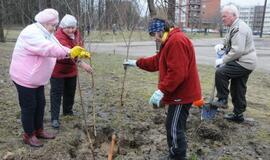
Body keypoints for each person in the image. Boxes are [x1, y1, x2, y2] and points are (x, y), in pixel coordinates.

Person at [9, 8, 90, 147]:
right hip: (25, 77)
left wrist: (72, 53)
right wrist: (70, 51)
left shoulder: (46, 32)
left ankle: (39, 130)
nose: (54, 28)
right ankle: (29, 135)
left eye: (55, 25)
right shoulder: (31, 33)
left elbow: (56, 45)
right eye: (53, 25)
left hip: (36, 78)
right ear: (45, 23)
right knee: (29, 106)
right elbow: (47, 48)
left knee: (40, 104)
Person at [123, 18, 201, 160]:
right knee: (172, 125)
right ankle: (174, 154)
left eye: (153, 35)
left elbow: (177, 73)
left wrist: (162, 90)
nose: (154, 39)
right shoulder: (169, 41)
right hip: (178, 93)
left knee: (174, 127)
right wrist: (136, 63)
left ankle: (177, 157)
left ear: (160, 31)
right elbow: (157, 61)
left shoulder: (176, 41)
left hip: (182, 94)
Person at [212, 4, 257, 123]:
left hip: (244, 62)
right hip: (245, 62)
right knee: (238, 88)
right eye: (222, 16)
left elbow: (238, 50)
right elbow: (228, 40)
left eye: (225, 16)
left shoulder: (239, 28)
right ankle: (238, 115)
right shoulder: (234, 26)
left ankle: (222, 100)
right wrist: (222, 45)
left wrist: (223, 60)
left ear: (233, 16)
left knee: (221, 73)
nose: (223, 19)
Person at [50, 14, 93, 128]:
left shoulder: (77, 33)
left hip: (71, 69)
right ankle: (54, 118)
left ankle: (67, 111)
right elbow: (69, 53)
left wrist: (82, 52)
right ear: (62, 28)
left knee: (70, 91)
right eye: (67, 28)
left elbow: (80, 45)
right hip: (58, 69)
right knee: (56, 93)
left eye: (72, 27)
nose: (70, 30)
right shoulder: (58, 37)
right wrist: (82, 63)